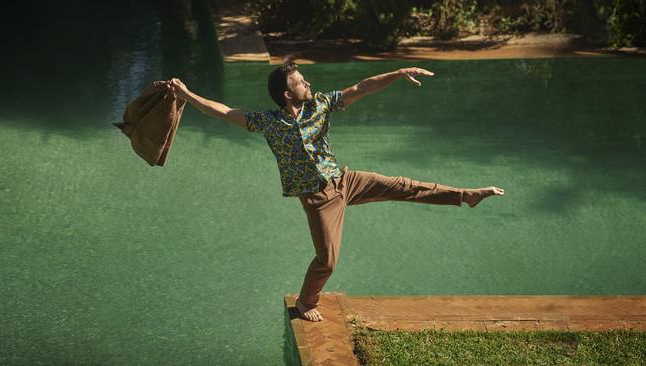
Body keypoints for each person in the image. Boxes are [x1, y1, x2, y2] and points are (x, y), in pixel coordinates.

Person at [166, 63, 504, 322]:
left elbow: (361, 87)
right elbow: (223, 111)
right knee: (326, 260)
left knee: (403, 185)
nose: (307, 84)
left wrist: (398, 73)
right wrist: (186, 94)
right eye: (300, 82)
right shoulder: (269, 122)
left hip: (344, 181)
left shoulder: (321, 105)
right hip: (318, 199)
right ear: (287, 94)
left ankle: (464, 195)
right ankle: (305, 302)